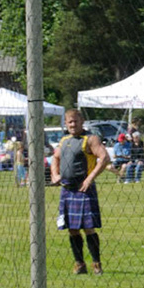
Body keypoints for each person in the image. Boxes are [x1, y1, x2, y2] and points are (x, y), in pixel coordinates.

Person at [51, 108, 111, 274]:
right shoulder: (64, 141)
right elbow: (55, 158)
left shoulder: (90, 139)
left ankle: (96, 264)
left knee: (88, 228)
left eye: (75, 121)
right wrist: (55, 174)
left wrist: (89, 179)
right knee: (72, 228)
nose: (72, 124)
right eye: (69, 122)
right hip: (67, 189)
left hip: (83, 189)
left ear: (82, 121)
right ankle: (79, 264)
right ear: (65, 123)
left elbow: (105, 158)